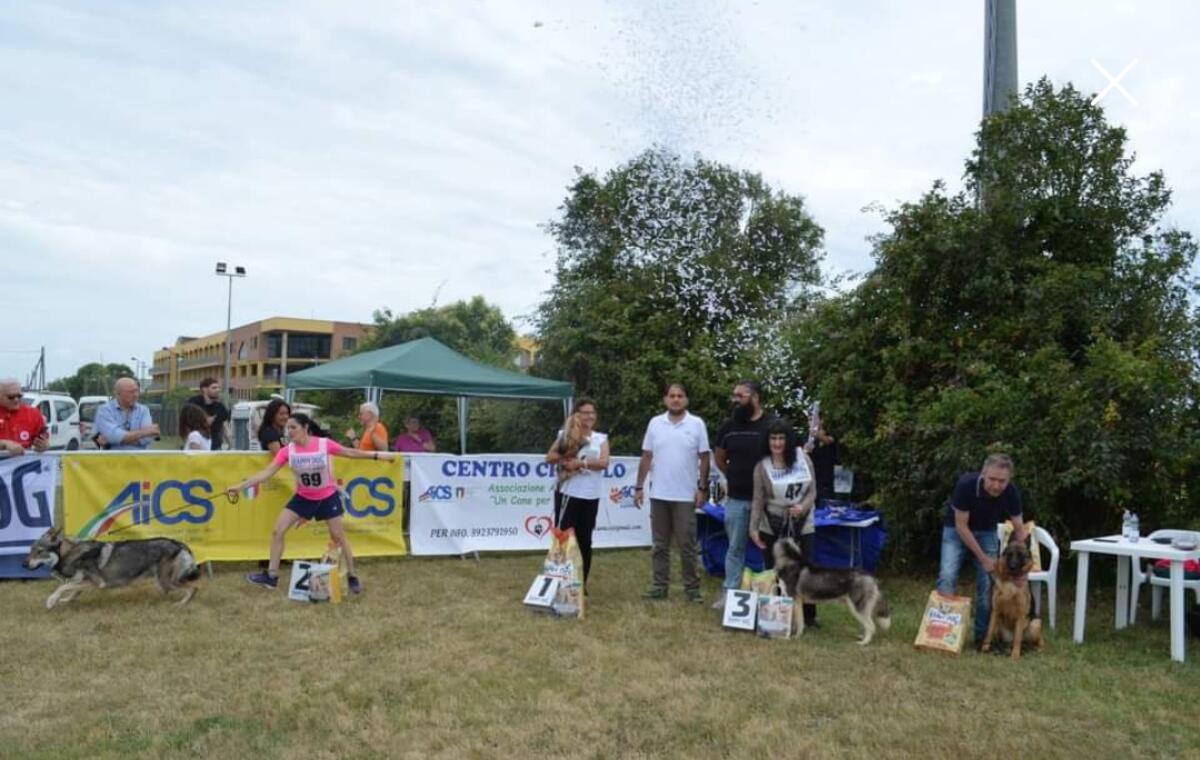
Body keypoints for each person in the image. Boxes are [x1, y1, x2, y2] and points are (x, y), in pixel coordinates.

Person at [227, 412, 398, 593]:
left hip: (327, 496)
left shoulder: (323, 444)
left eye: (293, 427)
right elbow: (267, 472)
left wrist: (379, 456)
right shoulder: (288, 451)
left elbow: (351, 452)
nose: (290, 431)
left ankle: (352, 576)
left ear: (305, 428)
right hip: (303, 497)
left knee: (338, 536)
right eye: (288, 428)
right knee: (278, 531)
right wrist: (240, 486)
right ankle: (271, 576)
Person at [937, 453, 1027, 649]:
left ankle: (982, 639)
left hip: (986, 531)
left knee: (988, 583)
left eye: (1002, 481)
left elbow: (1020, 531)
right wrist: (984, 558)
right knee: (947, 575)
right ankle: (941, 635)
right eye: (992, 479)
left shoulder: (1011, 492)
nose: (996, 485)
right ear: (983, 473)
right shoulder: (966, 485)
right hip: (956, 529)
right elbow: (962, 527)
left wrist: (1023, 571)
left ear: (1009, 479)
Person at [635, 382, 711, 603]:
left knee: (687, 545)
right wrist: (639, 486)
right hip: (659, 494)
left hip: (685, 496)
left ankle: (692, 588)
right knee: (660, 545)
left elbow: (704, 457)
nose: (675, 399)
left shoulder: (696, 424)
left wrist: (702, 488)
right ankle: (660, 586)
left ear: (686, 399)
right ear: (665, 399)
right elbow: (646, 456)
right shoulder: (655, 423)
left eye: (680, 395)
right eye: (671, 395)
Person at [712, 380, 777, 608]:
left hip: (769, 501)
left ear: (756, 397)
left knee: (770, 550)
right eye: (735, 396)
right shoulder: (729, 426)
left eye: (741, 396)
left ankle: (773, 596)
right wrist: (733, 475)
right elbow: (719, 457)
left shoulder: (772, 425)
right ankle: (730, 594)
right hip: (737, 500)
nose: (736, 400)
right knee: (735, 548)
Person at [749, 419, 819, 628]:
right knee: (774, 569)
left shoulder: (803, 459)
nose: (777, 443)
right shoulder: (762, 466)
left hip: (803, 520)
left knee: (805, 568)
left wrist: (803, 507)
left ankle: (809, 616)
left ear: (788, 440)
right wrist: (753, 528)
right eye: (773, 438)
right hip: (773, 522)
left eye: (781, 438)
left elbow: (812, 491)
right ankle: (776, 615)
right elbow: (758, 499)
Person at [544, 398, 609, 586]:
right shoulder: (565, 435)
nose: (589, 416)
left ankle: (580, 584)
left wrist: (581, 463)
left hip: (590, 496)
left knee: (584, 541)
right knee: (563, 538)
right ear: (577, 414)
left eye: (592, 413)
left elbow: (604, 462)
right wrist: (567, 459)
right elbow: (549, 457)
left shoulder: (601, 439)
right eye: (585, 412)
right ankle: (558, 582)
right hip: (567, 493)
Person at [92, 377, 158, 450]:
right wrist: (144, 432)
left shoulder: (144, 410)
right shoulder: (105, 410)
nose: (135, 395)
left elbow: (147, 439)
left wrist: (113, 441)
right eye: (131, 392)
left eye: (137, 391)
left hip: (139, 460)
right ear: (118, 393)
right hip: (113, 459)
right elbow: (112, 435)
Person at [0, 378, 49, 455]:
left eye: (19, 396)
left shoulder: (33, 413)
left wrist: (44, 445)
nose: (16, 400)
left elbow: (43, 438)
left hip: (24, 463)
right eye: (11, 397)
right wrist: (4, 444)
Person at [186, 378, 231, 451]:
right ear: (204, 389)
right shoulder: (193, 403)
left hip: (215, 448)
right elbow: (186, 424)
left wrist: (230, 444)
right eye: (214, 388)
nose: (218, 390)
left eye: (219, 388)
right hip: (197, 446)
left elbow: (226, 428)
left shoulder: (221, 407)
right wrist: (204, 422)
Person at [806, 416, 840, 503]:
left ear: (822, 420)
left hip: (826, 480)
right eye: (810, 419)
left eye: (814, 419)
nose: (812, 422)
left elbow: (828, 441)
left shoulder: (830, 433)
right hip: (810, 480)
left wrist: (816, 434)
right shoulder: (805, 437)